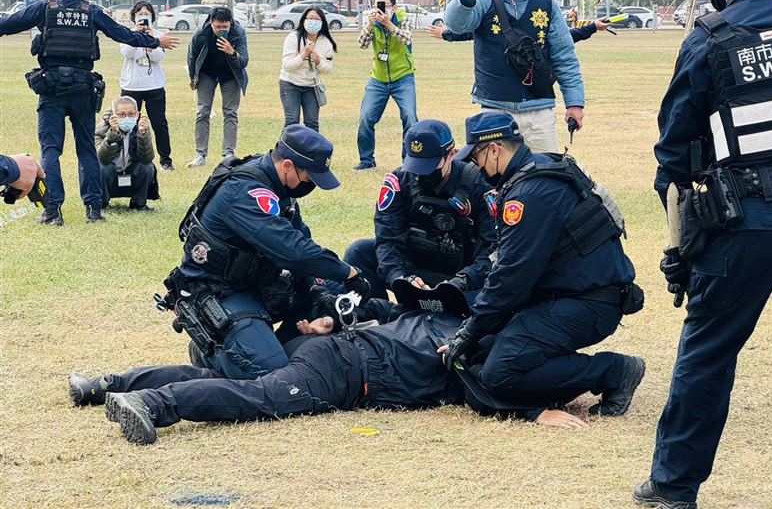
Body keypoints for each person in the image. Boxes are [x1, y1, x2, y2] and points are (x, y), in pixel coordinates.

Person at [636, 0, 772, 509]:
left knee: (707, 354)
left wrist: (681, 244)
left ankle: (673, 489)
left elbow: (674, 151)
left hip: (747, 219)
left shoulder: (708, 38)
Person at [67, 308, 586, 445]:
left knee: (218, 370)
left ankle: (108, 383)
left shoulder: (451, 318)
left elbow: (380, 304)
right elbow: (481, 389)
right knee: (257, 397)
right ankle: (156, 405)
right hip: (342, 371)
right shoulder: (471, 352)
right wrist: (532, 411)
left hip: (330, 348)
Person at [442, 110, 645, 417]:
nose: (477, 167)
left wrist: (468, 332)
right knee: (481, 355)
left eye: (477, 158)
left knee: (499, 373)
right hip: (571, 295)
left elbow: (510, 280)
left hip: (587, 301)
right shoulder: (538, 169)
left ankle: (613, 371)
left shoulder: (528, 195)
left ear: (494, 149)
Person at [160, 124, 371, 380]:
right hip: (217, 290)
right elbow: (292, 252)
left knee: (332, 291)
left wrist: (320, 289)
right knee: (269, 373)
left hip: (256, 284)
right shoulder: (246, 190)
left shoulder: (279, 188)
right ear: (288, 166)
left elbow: (301, 240)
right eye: (309, 178)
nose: (310, 185)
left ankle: (266, 343)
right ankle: (211, 349)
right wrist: (348, 271)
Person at [0, 0, 179, 226]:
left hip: (51, 89)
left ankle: (52, 211)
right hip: (83, 90)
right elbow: (121, 34)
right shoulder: (91, 12)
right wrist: (154, 41)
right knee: (86, 150)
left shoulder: (44, 9)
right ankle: (93, 210)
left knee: (51, 150)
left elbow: (7, 24)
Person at [444, 0, 585, 153]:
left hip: (539, 110)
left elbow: (564, 56)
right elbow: (455, 22)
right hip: (494, 109)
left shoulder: (546, 3)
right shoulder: (482, 1)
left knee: (546, 176)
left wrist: (574, 103)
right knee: (495, 180)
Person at [345, 119, 495, 305]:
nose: (422, 174)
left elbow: (492, 248)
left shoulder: (479, 184)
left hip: (462, 274)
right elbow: (388, 239)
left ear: (452, 154)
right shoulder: (400, 181)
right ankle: (379, 313)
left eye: (430, 166)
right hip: (415, 267)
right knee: (359, 251)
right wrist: (400, 280)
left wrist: (462, 281)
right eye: (416, 166)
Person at [354, 0, 417, 170]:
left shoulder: (402, 17)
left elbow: (406, 38)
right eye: (377, 5)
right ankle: (367, 161)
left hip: (403, 77)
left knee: (410, 117)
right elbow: (362, 43)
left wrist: (388, 23)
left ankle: (409, 162)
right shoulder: (373, 23)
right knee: (366, 117)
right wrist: (370, 24)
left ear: (394, 7)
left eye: (385, 5)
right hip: (378, 79)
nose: (381, 9)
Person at [186, 7, 249, 168]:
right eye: (217, 27)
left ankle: (229, 153)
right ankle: (200, 154)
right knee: (202, 112)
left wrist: (232, 52)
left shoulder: (238, 32)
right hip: (207, 73)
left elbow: (243, 61)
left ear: (231, 24)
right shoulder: (202, 33)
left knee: (230, 112)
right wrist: (193, 76)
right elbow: (191, 56)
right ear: (211, 23)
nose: (221, 30)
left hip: (230, 74)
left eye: (225, 27)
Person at [120, 1, 174, 171]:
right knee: (129, 124)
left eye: (147, 14)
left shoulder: (158, 35)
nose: (143, 17)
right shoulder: (127, 34)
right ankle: (129, 158)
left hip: (154, 86)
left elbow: (158, 57)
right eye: (140, 14)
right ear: (134, 17)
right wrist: (136, 36)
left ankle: (165, 160)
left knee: (159, 123)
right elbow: (128, 53)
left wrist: (151, 39)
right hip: (132, 85)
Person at [95, 96, 157, 211]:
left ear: (137, 114)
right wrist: (113, 135)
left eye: (131, 114)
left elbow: (147, 159)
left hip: (131, 175)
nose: (127, 118)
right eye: (121, 115)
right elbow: (102, 159)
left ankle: (138, 203)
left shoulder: (141, 127)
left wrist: (143, 135)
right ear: (114, 115)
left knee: (147, 167)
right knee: (102, 168)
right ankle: (102, 204)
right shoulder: (100, 130)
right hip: (110, 177)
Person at [279, 6, 337, 132]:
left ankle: (312, 151)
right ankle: (285, 151)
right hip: (290, 83)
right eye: (310, 18)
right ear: (304, 20)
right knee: (292, 122)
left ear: (322, 22)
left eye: (317, 19)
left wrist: (317, 61)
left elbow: (328, 69)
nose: (313, 22)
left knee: (312, 123)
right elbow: (287, 66)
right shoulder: (293, 37)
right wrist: (303, 54)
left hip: (312, 86)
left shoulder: (326, 42)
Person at [425, 18, 611, 44]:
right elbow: (473, 32)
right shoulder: (495, 19)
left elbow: (566, 37)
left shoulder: (538, 19)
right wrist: (447, 34)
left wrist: (593, 27)